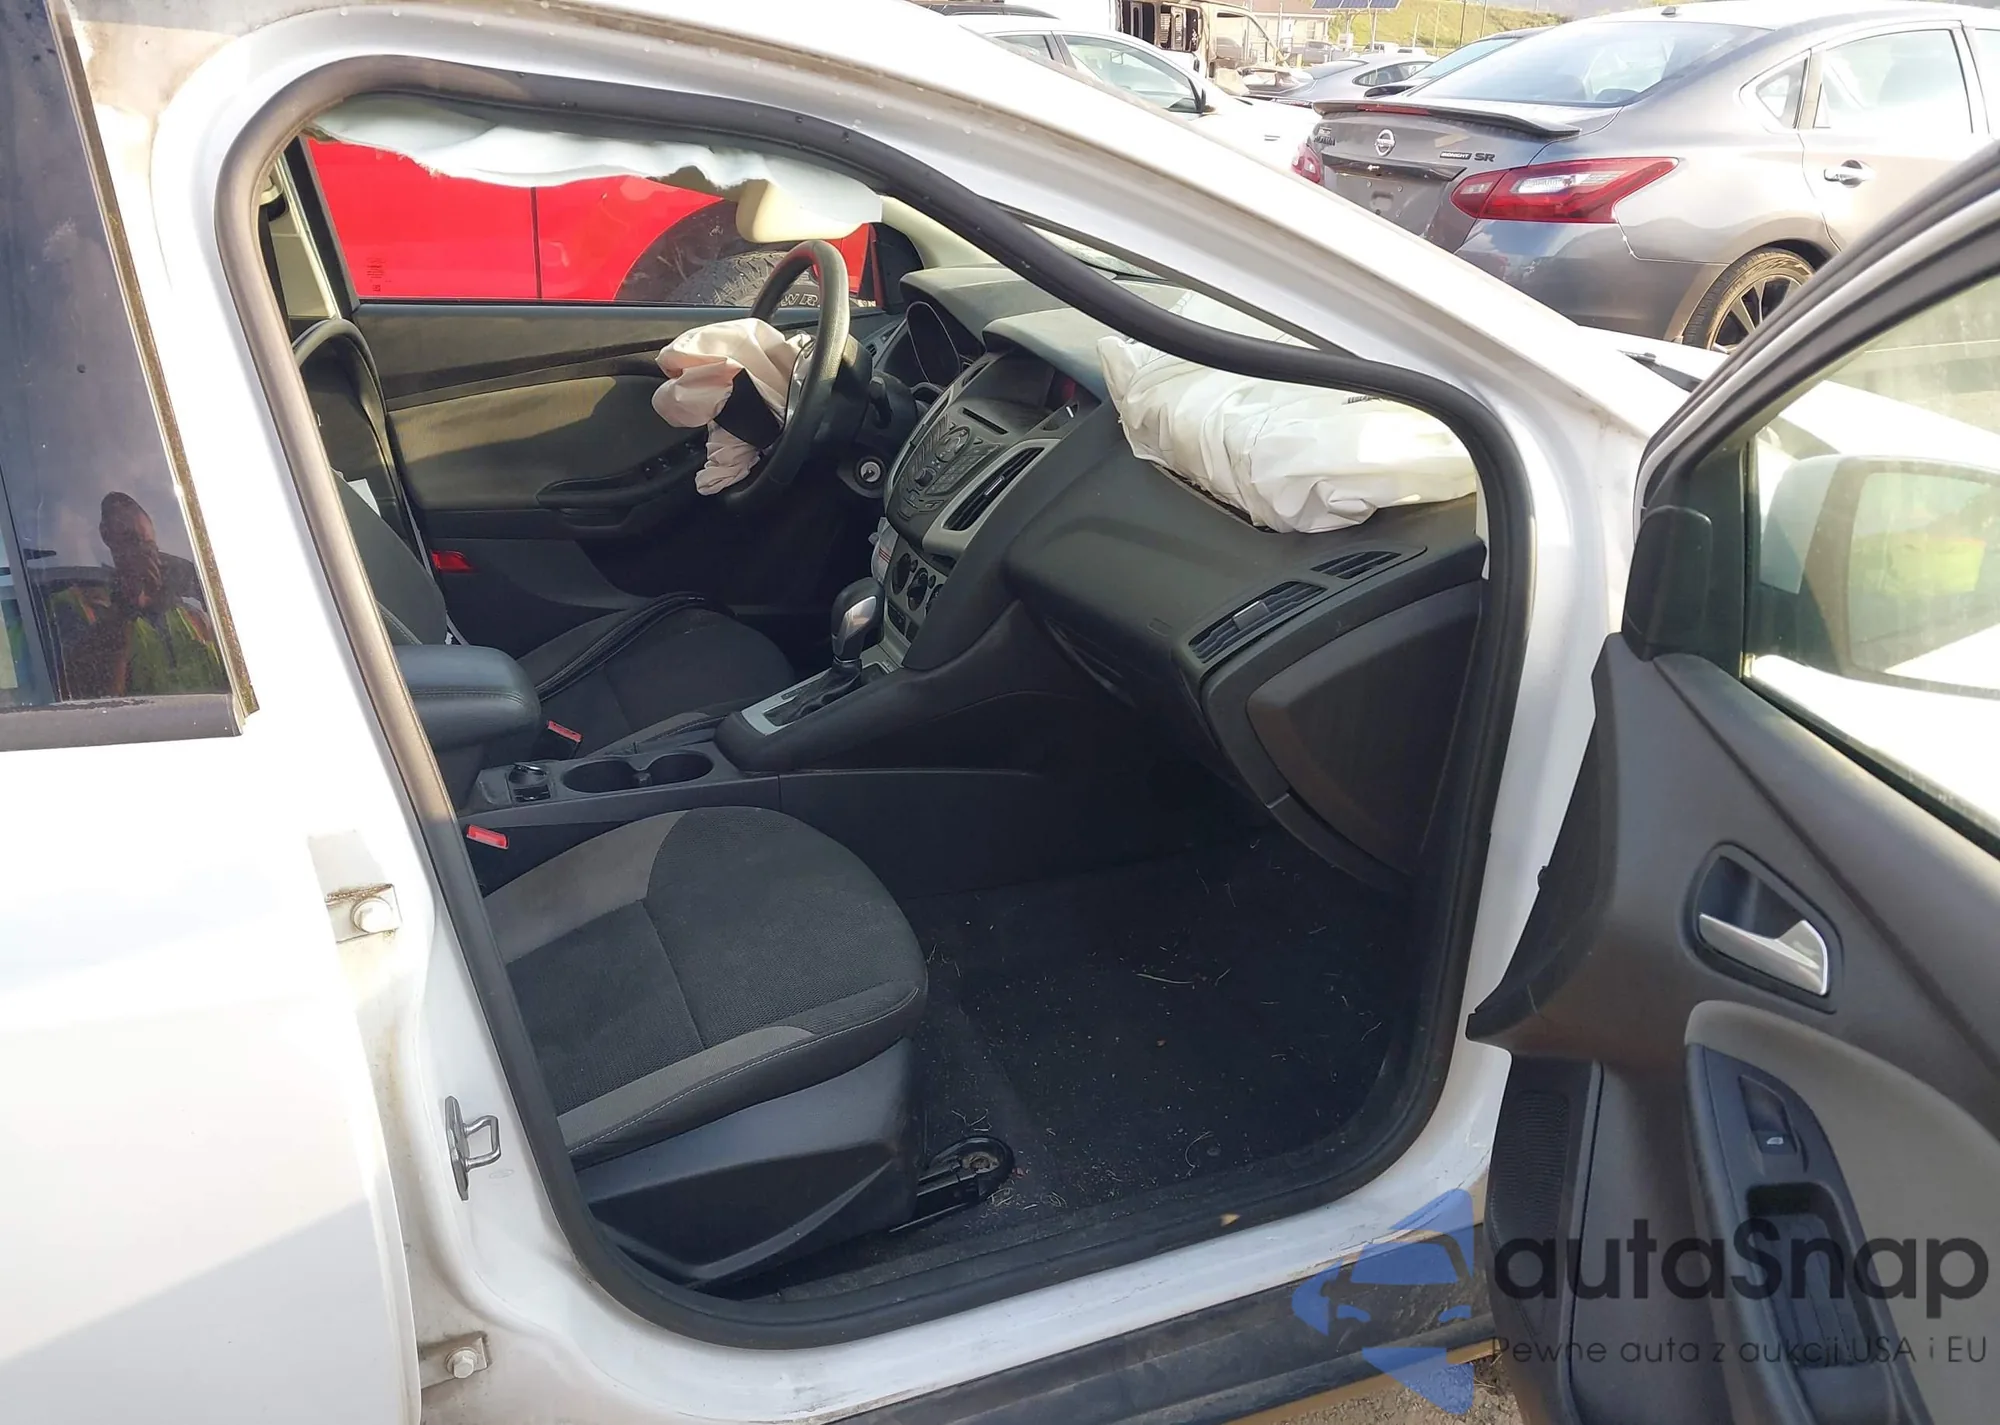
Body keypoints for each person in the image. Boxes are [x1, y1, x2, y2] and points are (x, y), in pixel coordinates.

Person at [47, 491, 225, 698]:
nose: (143, 556)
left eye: (150, 547)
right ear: (101, 544)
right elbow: (90, 700)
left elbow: (238, 676)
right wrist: (123, 612)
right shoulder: (71, 608)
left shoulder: (193, 617)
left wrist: (205, 592)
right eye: (130, 541)